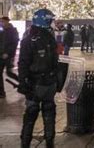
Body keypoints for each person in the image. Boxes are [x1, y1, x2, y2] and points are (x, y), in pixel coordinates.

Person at [17, 9, 59, 148]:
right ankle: (46, 143)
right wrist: (23, 82)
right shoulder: (34, 39)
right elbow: (23, 63)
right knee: (42, 113)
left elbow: (23, 63)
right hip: (38, 84)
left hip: (42, 83)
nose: (53, 22)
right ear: (45, 21)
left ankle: (32, 143)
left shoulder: (40, 37)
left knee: (36, 114)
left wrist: (23, 82)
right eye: (50, 20)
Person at [0, 16, 19, 96]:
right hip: (1, 55)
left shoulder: (13, 31)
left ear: (7, 21)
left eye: (3, 21)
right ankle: (1, 92)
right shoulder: (1, 31)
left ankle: (23, 83)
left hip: (9, 56)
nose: (1, 23)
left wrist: (7, 53)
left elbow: (14, 43)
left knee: (9, 72)